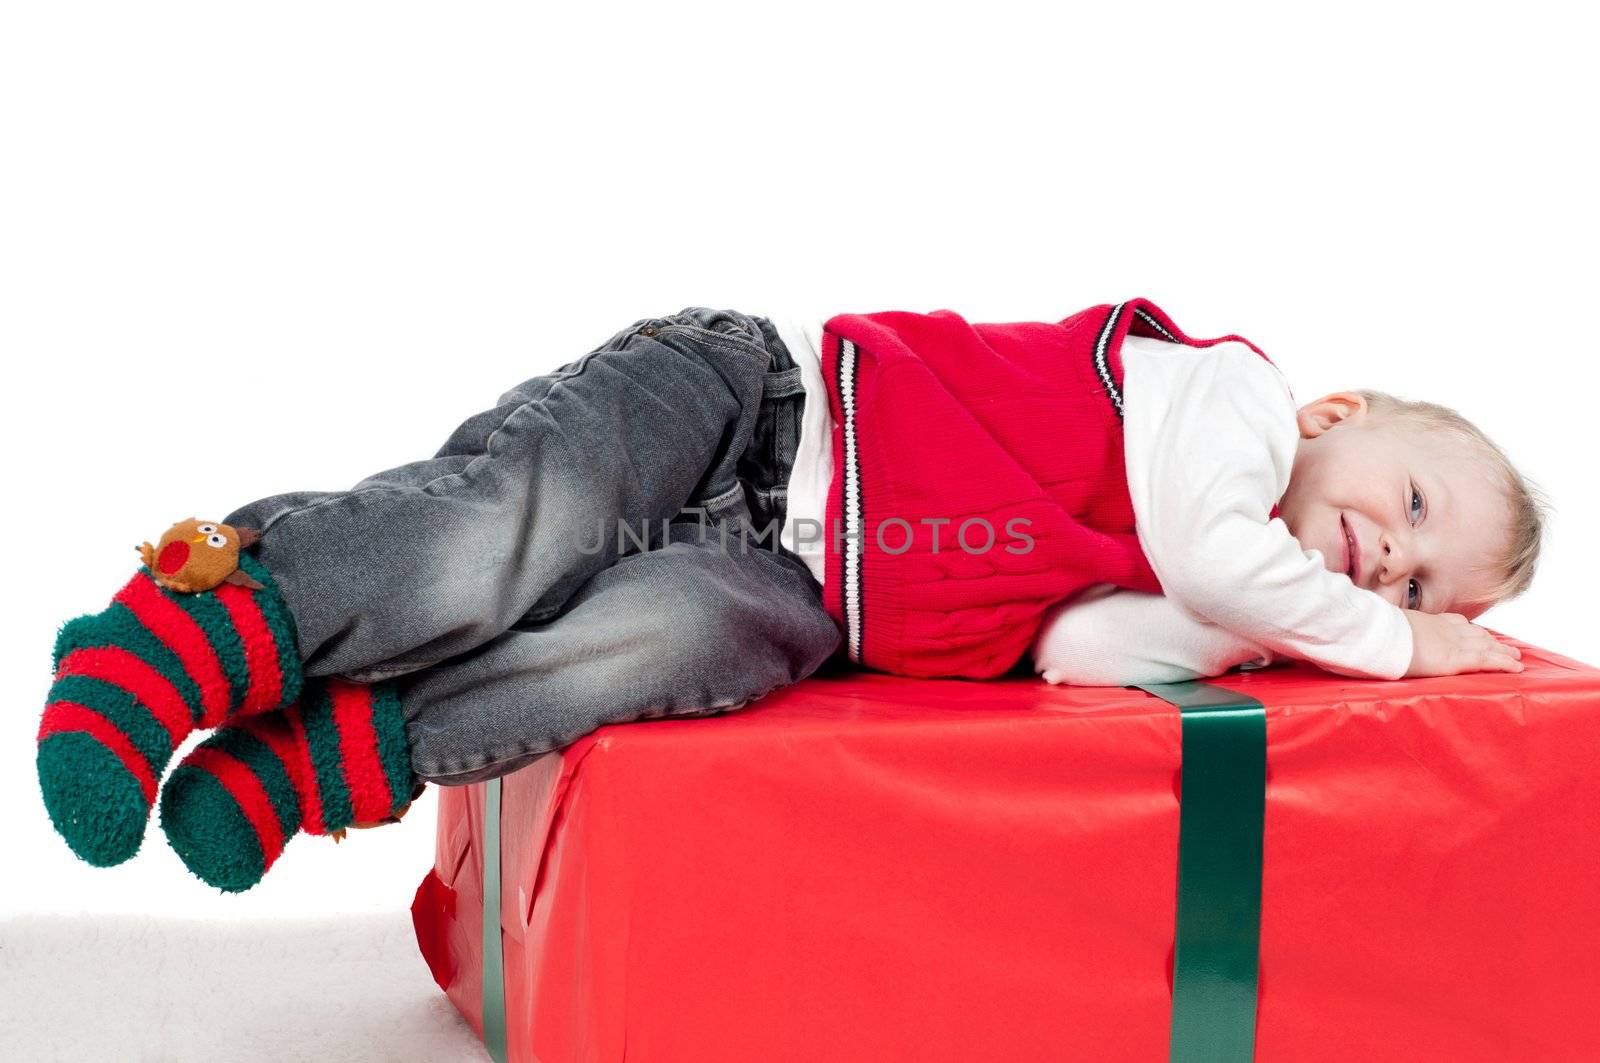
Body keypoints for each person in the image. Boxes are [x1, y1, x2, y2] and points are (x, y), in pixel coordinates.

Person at [33, 301, 1544, 892]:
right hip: (753, 415)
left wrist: (1242, 637)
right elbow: (1225, 546)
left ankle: (322, 755)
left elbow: (1083, 655)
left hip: (794, 593)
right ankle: (181, 628)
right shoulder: (1236, 406)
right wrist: (1403, 645)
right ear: (1346, 413)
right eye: (1410, 508)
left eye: (1420, 571)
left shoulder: (1224, 588)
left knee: (633, 650)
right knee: (508, 531)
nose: (1388, 560)